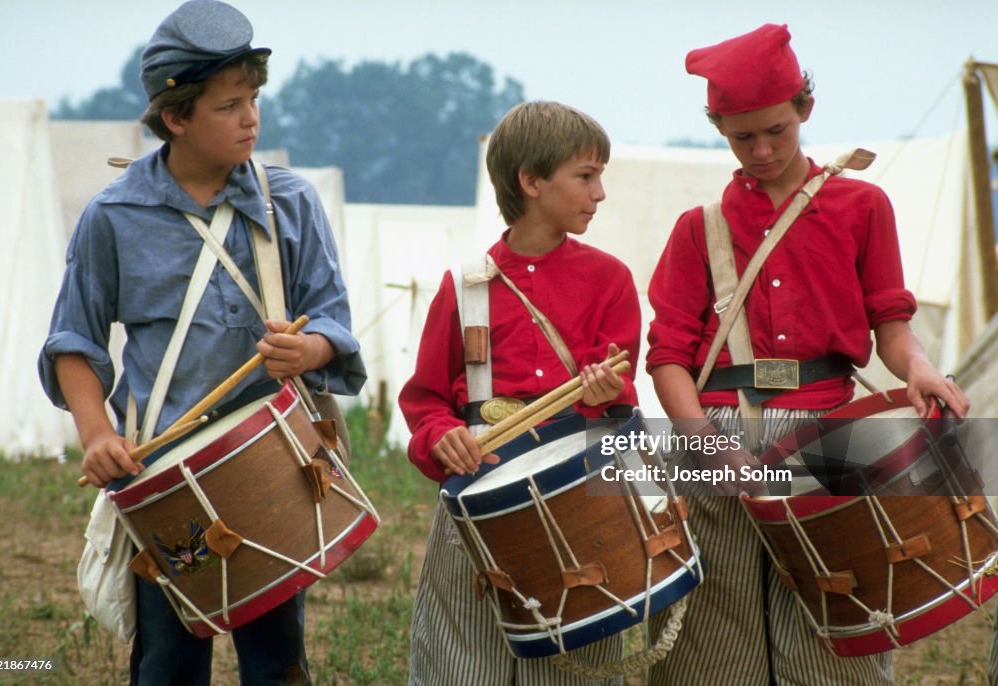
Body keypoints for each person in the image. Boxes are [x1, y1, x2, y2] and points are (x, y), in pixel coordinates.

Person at [38, 1, 364, 683]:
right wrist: (98, 435)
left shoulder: (290, 203)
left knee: (276, 659)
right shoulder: (114, 215)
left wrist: (308, 352)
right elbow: (74, 339)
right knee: (170, 655)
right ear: (176, 116)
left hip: (270, 471)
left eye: (252, 100)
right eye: (228, 105)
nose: (251, 118)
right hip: (168, 487)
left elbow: (331, 319)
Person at [644, 23, 969, 686]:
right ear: (718, 127)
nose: (761, 150)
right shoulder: (697, 229)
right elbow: (668, 356)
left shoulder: (864, 205)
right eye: (742, 137)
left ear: (804, 110)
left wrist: (919, 368)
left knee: (835, 638)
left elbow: (892, 324)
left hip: (829, 432)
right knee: (712, 647)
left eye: (776, 130)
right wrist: (705, 442)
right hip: (717, 429)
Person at [398, 100, 641, 685]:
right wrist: (441, 434)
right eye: (586, 176)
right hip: (479, 485)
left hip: (577, 490)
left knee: (574, 662)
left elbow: (622, 402)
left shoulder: (611, 279)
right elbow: (426, 398)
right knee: (462, 659)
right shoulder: (465, 286)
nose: (600, 192)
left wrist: (608, 392)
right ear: (530, 181)